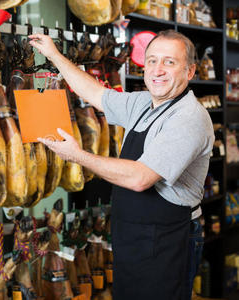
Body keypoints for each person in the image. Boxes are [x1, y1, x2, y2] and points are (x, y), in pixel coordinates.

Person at [29, 29, 213, 300]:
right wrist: (54, 55)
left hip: (168, 240)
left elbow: (141, 178)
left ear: (190, 71)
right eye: (151, 60)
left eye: (169, 62)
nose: (157, 70)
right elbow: (94, 92)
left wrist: (78, 156)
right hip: (133, 236)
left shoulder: (189, 117)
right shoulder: (142, 103)